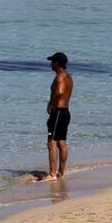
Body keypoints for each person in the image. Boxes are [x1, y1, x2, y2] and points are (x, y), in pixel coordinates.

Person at [41, 51, 73, 182]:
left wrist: (50, 104)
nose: (51, 64)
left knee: (52, 143)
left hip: (58, 112)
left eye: (52, 61)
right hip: (65, 112)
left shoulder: (60, 77)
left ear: (57, 63)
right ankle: (61, 172)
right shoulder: (68, 77)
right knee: (62, 143)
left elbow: (59, 92)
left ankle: (52, 173)